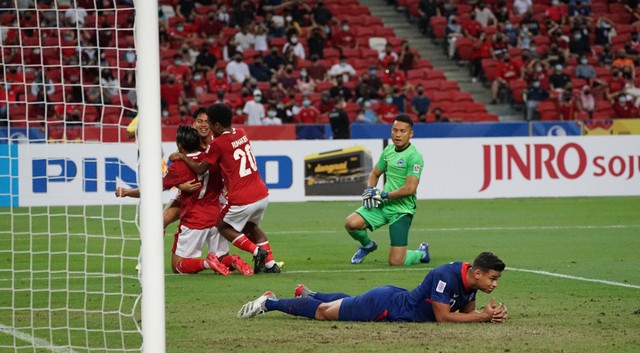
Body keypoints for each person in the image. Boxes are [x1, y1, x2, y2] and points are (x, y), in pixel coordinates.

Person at [117, 125, 254, 276]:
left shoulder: (179, 166)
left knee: (177, 266)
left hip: (194, 220)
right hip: (217, 217)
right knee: (222, 257)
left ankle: (207, 263)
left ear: (180, 145)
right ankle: (234, 260)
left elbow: (153, 189)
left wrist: (127, 192)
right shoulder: (210, 159)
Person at [238, 252, 509, 325]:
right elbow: (444, 317)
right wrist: (482, 317)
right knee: (323, 313)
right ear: (477, 272)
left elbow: (465, 313)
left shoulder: (471, 281)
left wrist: (488, 315)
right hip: (385, 307)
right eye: (493, 279)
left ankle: (310, 294)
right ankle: (268, 302)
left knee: (348, 302)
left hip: (393, 297)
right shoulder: (445, 275)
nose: (494, 284)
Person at [169, 103, 281, 273]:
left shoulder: (217, 144)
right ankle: (271, 264)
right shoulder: (242, 133)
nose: (208, 127)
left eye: (210, 123)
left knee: (222, 226)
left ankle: (257, 251)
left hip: (241, 198)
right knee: (250, 227)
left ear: (217, 125)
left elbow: (200, 168)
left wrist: (183, 157)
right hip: (262, 194)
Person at [345, 115, 428, 266]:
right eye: (395, 130)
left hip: (402, 209)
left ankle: (421, 252)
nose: (397, 134)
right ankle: (367, 245)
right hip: (383, 204)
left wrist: (383, 195)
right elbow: (374, 174)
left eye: (402, 131)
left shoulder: (414, 157)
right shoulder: (389, 150)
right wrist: (371, 189)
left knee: (396, 262)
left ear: (411, 134)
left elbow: (410, 189)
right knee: (351, 223)